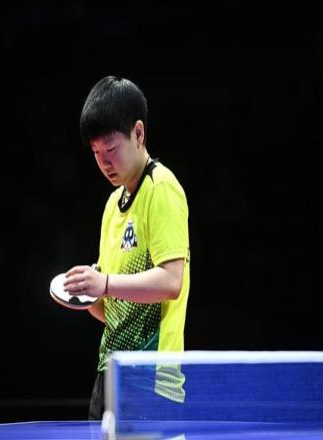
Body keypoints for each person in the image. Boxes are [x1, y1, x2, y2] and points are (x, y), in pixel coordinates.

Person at [63, 75, 190, 420]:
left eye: (111, 149)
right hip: (110, 375)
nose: (104, 163)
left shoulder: (161, 188)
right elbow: (114, 309)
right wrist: (85, 295)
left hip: (151, 381)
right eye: (96, 153)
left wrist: (104, 283)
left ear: (138, 133)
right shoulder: (112, 205)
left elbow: (171, 282)